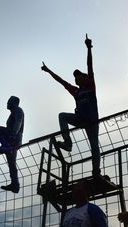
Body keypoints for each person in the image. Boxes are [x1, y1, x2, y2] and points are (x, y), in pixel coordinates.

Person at [41, 34, 105, 180]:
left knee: (94, 146)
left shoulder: (90, 85)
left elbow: (90, 65)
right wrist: (48, 70)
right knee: (62, 115)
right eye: (75, 77)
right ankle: (68, 143)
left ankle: (96, 172)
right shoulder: (76, 91)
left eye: (79, 75)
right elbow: (61, 81)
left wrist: (89, 48)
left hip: (92, 121)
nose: (77, 77)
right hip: (81, 119)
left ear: (84, 77)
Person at [0, 96, 24, 193]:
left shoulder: (18, 110)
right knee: (11, 163)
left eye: (10, 101)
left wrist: (13, 134)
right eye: (8, 101)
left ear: (16, 103)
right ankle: (15, 184)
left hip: (14, 138)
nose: (8, 103)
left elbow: (18, 122)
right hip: (13, 140)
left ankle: (6, 146)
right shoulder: (13, 113)